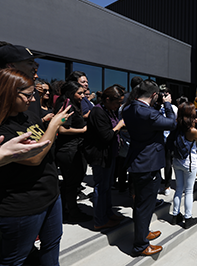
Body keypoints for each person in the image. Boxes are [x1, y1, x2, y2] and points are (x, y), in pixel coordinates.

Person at [0, 68, 72, 265]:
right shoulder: (3, 127)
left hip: (50, 194)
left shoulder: (28, 117)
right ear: (8, 92)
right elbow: (34, 158)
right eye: (28, 95)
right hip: (22, 203)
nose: (32, 100)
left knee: (52, 244)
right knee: (14, 258)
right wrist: (54, 125)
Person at [122, 79, 176, 257]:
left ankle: (143, 232)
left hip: (138, 161)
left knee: (142, 204)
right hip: (148, 164)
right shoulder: (148, 114)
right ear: (154, 95)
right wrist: (167, 104)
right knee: (144, 206)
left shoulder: (128, 108)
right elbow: (171, 123)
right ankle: (140, 245)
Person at [84, 85, 126, 230]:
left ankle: (108, 213)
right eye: (117, 103)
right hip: (100, 156)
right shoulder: (97, 112)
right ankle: (100, 220)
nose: (118, 106)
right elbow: (106, 136)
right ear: (107, 100)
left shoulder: (109, 110)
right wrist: (119, 126)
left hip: (111, 155)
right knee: (101, 188)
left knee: (107, 187)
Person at [54, 81, 91, 223]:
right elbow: (62, 129)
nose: (83, 96)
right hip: (68, 149)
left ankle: (66, 210)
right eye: (79, 93)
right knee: (71, 182)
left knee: (74, 181)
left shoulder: (73, 104)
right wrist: (83, 130)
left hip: (75, 148)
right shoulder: (67, 105)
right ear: (70, 93)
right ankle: (71, 213)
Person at [168, 102, 197, 229]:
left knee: (178, 189)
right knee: (188, 191)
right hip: (189, 162)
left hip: (177, 161)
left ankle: (175, 215)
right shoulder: (192, 130)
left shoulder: (176, 126)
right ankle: (188, 218)